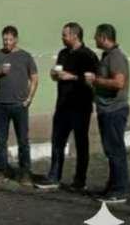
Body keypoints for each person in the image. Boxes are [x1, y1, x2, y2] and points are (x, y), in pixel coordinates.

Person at [36, 22, 99, 192]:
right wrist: (55, 75)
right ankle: (54, 176)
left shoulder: (88, 56)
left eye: (65, 35)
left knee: (81, 144)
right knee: (57, 142)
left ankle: (80, 181)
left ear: (74, 36)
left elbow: (94, 80)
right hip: (62, 105)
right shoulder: (63, 53)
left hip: (80, 106)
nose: (62, 37)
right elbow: (59, 74)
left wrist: (71, 77)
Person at [0, 25, 38, 185]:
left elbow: (34, 78)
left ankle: (25, 173)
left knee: (23, 140)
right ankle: (1, 171)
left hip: (19, 105)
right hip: (0, 104)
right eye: (4, 39)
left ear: (16, 39)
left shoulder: (25, 56)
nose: (7, 42)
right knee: (0, 141)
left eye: (10, 39)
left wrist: (29, 99)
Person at [86, 23, 130, 203]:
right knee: (111, 150)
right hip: (106, 110)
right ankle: (112, 188)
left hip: (114, 110)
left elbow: (119, 83)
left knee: (115, 151)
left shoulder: (116, 57)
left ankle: (119, 191)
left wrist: (96, 80)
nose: (94, 39)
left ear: (104, 37)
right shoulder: (107, 56)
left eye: (96, 36)